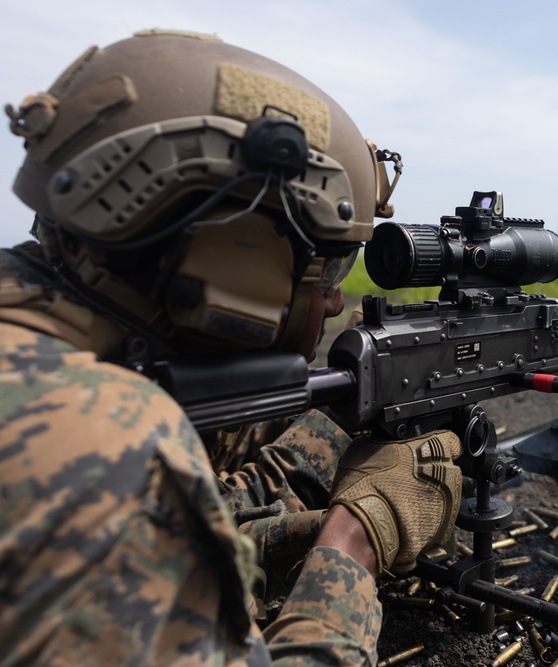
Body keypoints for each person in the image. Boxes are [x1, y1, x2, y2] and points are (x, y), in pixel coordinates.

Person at [0, 29, 462, 666]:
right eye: (328, 269)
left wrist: (331, 427)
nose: (333, 302)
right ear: (229, 254)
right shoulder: (105, 441)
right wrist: (354, 541)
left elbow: (190, 507)